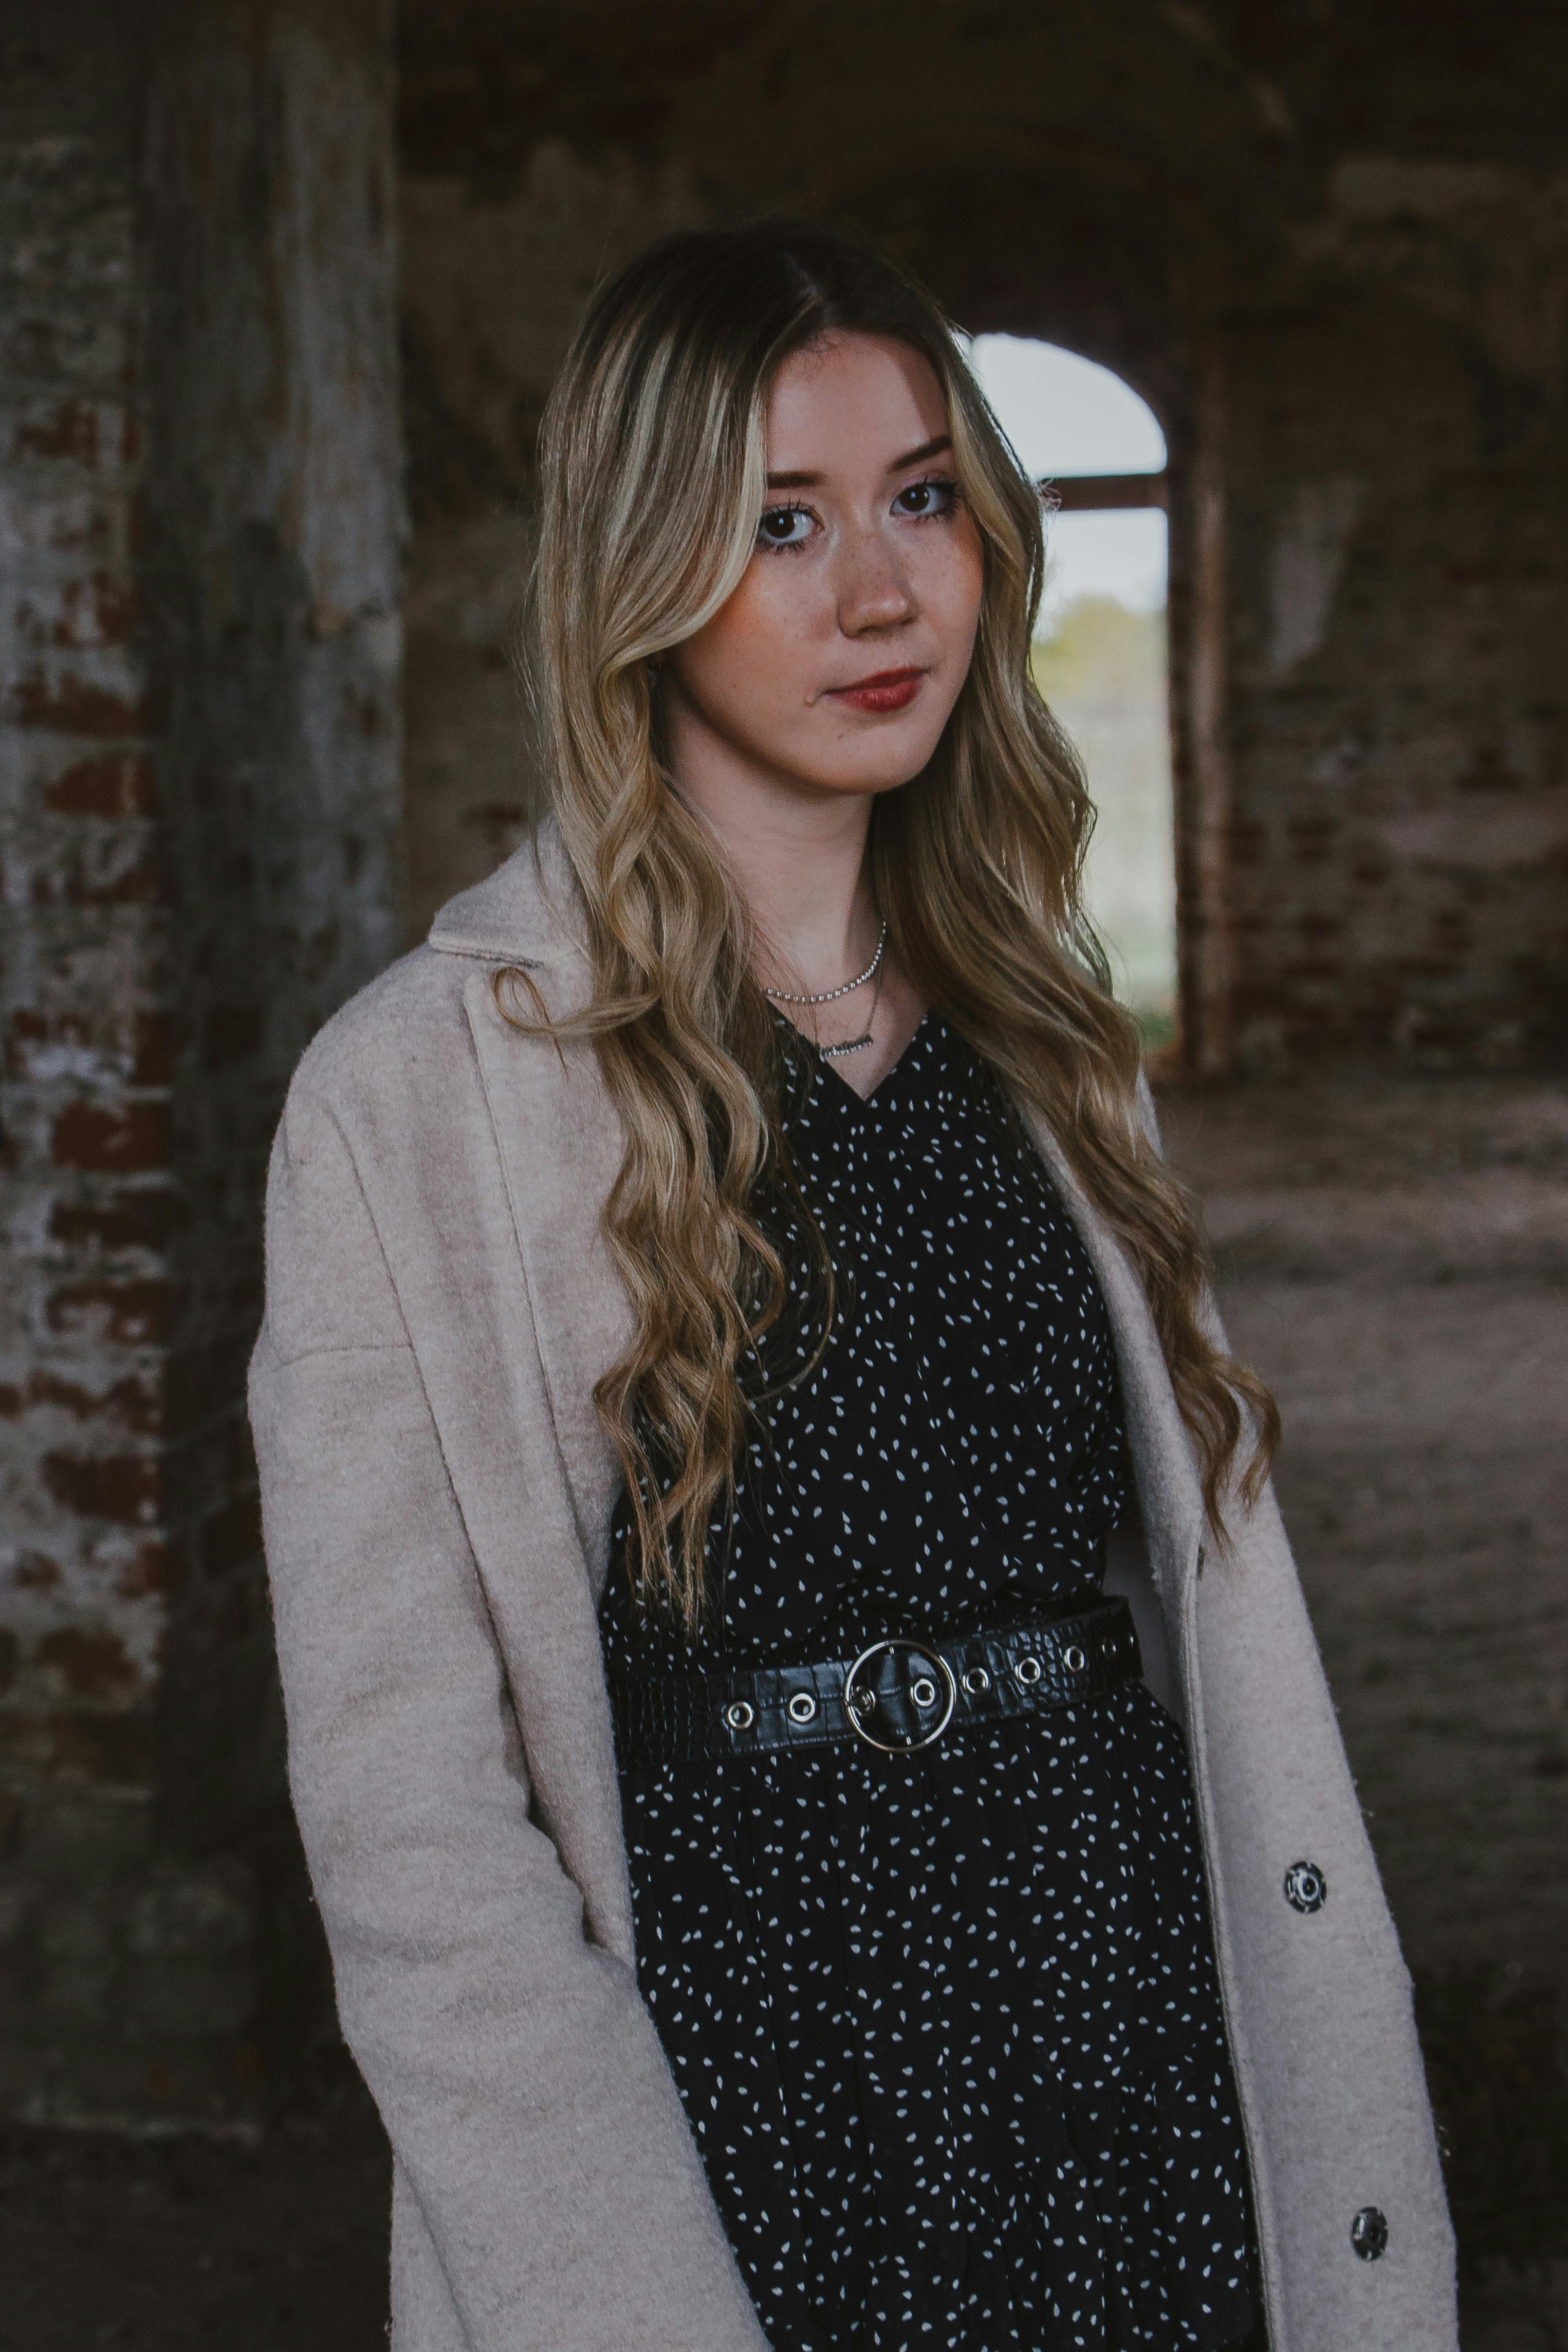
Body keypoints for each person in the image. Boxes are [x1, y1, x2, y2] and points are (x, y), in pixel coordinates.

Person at [249, 222, 1455, 2352]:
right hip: (737, 2102)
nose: (879, 591)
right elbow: (415, 1837)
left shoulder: (1050, 1036)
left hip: (1123, 2044)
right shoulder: (414, 1102)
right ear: (639, 565)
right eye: (776, 523)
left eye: (921, 497)